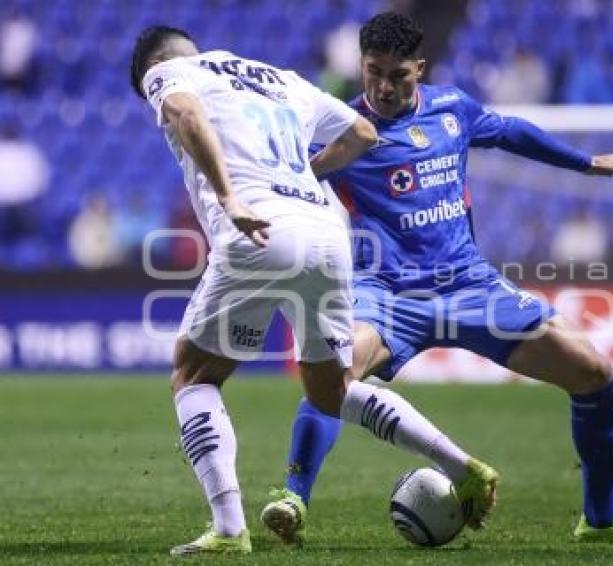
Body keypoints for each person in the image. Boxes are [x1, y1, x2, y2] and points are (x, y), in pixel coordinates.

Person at [264, 12, 613, 545]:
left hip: (470, 288)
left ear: (420, 68)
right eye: (373, 73)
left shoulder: (451, 109)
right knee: (333, 379)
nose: (384, 87)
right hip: (388, 297)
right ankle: (293, 497)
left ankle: (600, 521)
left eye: (398, 75)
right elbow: (290, 179)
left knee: (593, 373)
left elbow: (509, 132)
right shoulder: (344, 131)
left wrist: (586, 162)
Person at [130, 25, 497, 557]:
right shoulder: (281, 80)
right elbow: (364, 134)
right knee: (331, 391)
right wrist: (304, 175)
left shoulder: (170, 71)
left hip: (257, 229)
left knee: (194, 375)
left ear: (151, 69)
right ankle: (463, 467)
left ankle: (229, 528)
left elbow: (185, 114)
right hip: (327, 234)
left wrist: (231, 195)